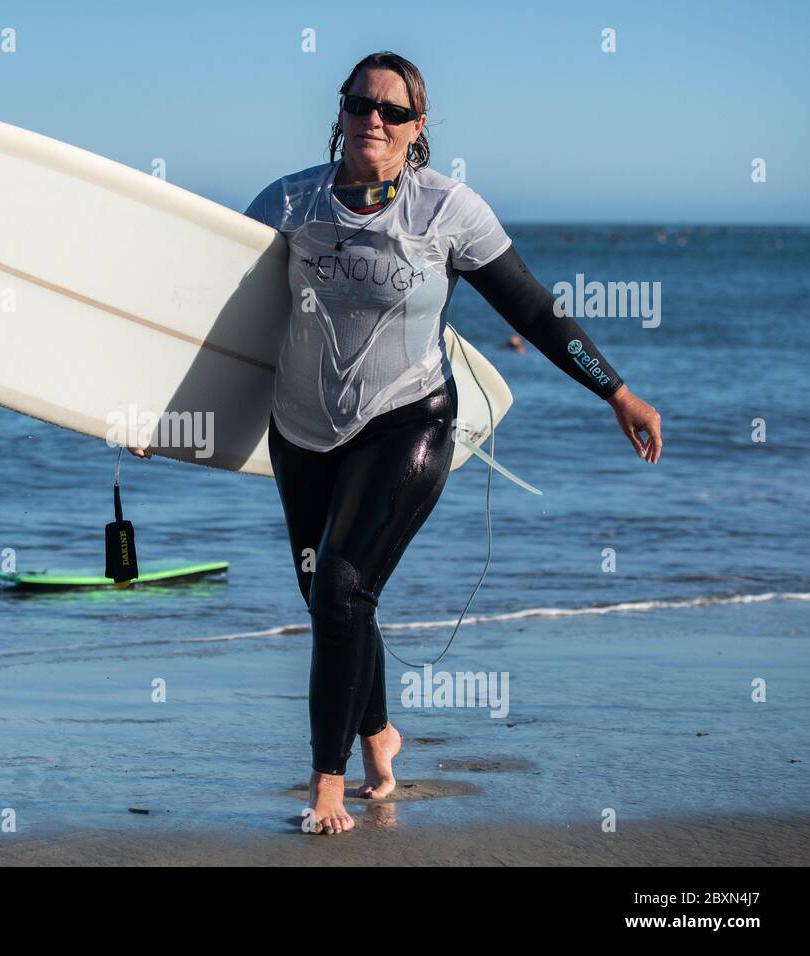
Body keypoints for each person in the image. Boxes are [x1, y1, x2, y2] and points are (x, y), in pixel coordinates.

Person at [133, 52, 662, 835]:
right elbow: (220, 321)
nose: (371, 119)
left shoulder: (449, 210)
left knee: (341, 589)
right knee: (333, 598)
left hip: (408, 420)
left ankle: (326, 786)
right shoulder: (287, 202)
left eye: (391, 110)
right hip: (301, 431)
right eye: (358, 104)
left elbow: (534, 312)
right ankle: (380, 734)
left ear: (418, 130)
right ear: (339, 113)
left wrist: (614, 389)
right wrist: (166, 415)